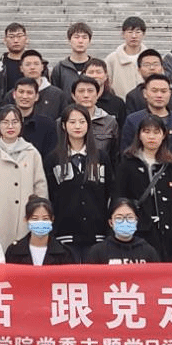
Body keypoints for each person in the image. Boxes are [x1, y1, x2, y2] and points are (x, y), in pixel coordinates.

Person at [113, 114, 172, 261]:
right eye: (147, 132)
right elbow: (119, 198)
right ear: (139, 135)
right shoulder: (127, 163)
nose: (151, 137)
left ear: (164, 135)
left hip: (167, 237)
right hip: (137, 235)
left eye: (156, 132)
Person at [0, 105, 48, 249]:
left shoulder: (32, 153)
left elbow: (41, 189)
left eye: (15, 122)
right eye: (5, 122)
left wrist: (39, 217)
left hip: (24, 220)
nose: (10, 126)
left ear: (21, 124)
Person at [45, 104, 112, 262]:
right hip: (64, 234)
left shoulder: (101, 157)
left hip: (96, 233)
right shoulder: (53, 159)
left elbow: (109, 193)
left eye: (82, 122)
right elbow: (49, 195)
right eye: (72, 122)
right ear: (64, 125)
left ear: (88, 125)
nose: (77, 126)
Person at [121, 74, 172, 167]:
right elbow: (125, 153)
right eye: (154, 91)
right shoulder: (133, 120)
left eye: (163, 91)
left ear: (170, 93)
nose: (159, 95)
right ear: (145, 93)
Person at [87, 198, 161, 264]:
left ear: (136, 221)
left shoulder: (148, 251)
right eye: (119, 218)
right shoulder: (98, 252)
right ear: (111, 222)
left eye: (130, 217)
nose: (125, 221)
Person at [4, 196, 75, 265]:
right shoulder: (14, 251)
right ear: (26, 219)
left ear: (52, 219)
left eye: (45, 218)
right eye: (35, 219)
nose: (40, 222)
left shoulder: (64, 253)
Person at [70, 75, 119, 162]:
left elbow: (115, 154)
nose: (86, 95)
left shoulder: (109, 122)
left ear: (98, 94)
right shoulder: (63, 121)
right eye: (81, 91)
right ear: (73, 95)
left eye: (90, 91)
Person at [11, 77, 58, 164]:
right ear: (14, 94)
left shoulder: (47, 125)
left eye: (29, 93)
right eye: (21, 92)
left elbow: (51, 156)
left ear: (36, 97)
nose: (25, 96)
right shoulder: (2, 123)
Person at [124, 49, 172, 115]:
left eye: (156, 64)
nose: (152, 68)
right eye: (147, 65)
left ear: (162, 68)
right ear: (139, 69)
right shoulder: (133, 96)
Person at [105, 15, 149, 98]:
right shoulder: (112, 59)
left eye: (138, 32)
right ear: (123, 34)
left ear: (144, 35)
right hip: (120, 103)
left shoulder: (151, 58)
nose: (134, 36)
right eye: (130, 32)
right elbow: (107, 85)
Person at [18, 49, 66, 120]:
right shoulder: (15, 94)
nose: (32, 67)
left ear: (42, 67)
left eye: (36, 64)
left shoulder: (57, 94)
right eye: (28, 64)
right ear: (21, 68)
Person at [50, 22, 94, 96]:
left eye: (84, 37)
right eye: (76, 37)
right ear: (69, 41)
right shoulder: (60, 68)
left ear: (90, 41)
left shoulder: (95, 67)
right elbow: (55, 95)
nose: (80, 41)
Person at [0, 22, 29, 92]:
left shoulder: (36, 65)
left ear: (26, 39)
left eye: (19, 36)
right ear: (4, 40)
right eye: (11, 37)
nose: (16, 40)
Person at [87, 57, 126, 127]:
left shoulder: (117, 103)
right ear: (84, 75)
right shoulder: (77, 101)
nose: (94, 76)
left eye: (98, 72)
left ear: (106, 76)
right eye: (91, 72)